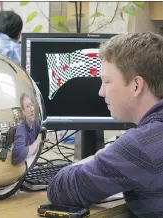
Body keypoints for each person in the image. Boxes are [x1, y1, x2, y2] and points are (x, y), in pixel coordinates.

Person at [47, 32, 163, 217]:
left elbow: (60, 190)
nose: (101, 92)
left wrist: (101, 156)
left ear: (136, 85)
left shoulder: (141, 146)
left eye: (106, 81)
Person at [12, 93, 41, 165]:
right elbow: (16, 158)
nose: (32, 109)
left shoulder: (37, 124)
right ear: (24, 112)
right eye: (28, 106)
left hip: (33, 160)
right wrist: (37, 141)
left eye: (32, 105)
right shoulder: (21, 128)